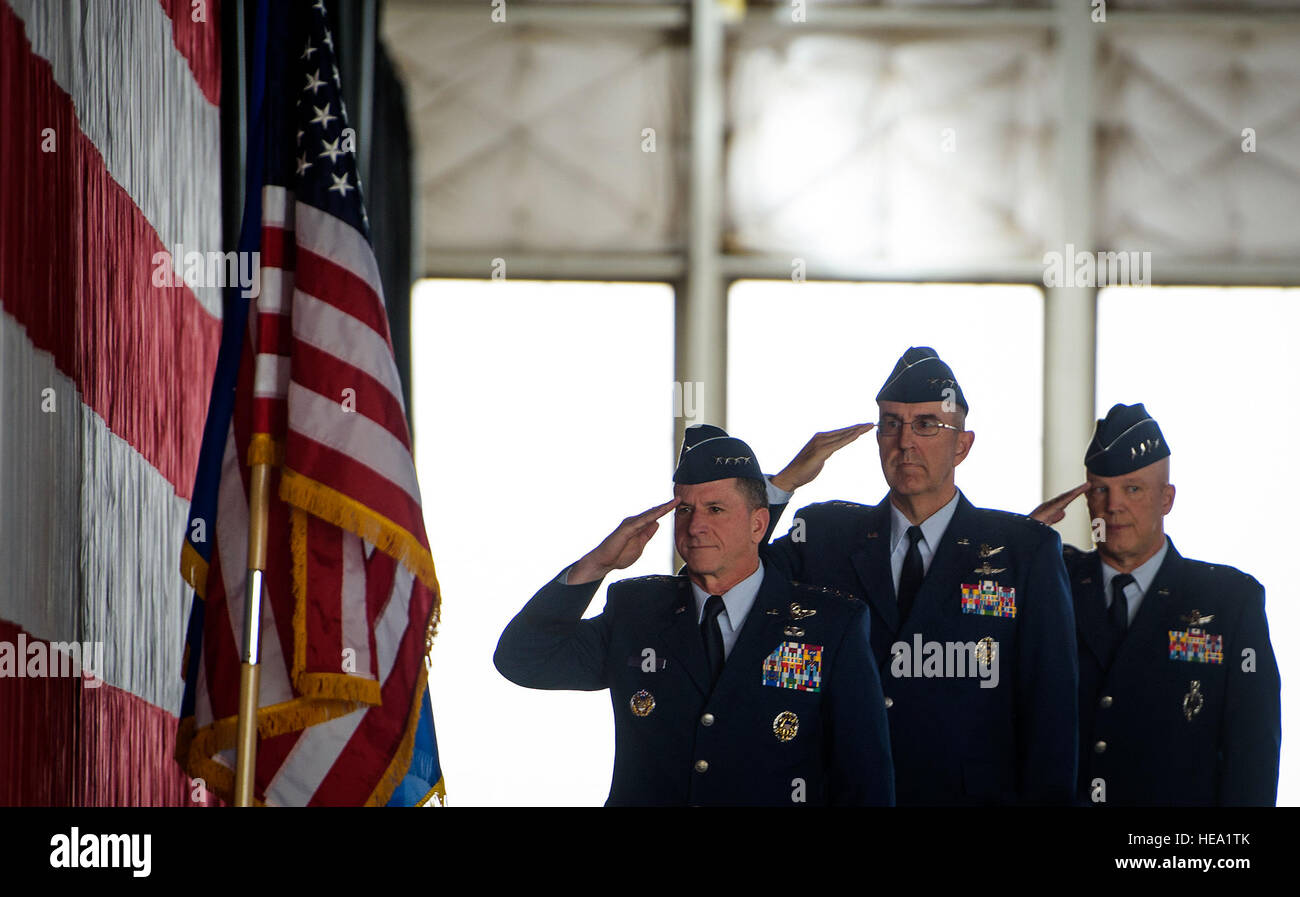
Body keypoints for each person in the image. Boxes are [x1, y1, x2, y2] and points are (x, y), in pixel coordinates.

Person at [494, 432, 895, 806]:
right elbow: (524, 659)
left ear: (758, 523)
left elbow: (864, 780)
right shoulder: (638, 611)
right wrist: (598, 565)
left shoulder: (830, 625)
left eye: (715, 509)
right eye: (685, 509)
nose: (695, 525)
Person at [762, 346, 1078, 806]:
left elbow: (1050, 712)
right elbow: (725, 577)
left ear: (963, 445)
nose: (905, 441)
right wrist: (783, 483)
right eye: (891, 424)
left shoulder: (1024, 550)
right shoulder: (825, 535)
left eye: (926, 424)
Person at [1030, 403, 1281, 805]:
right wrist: (1024, 542)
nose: (1113, 506)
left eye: (1133, 489)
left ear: (1166, 498)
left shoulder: (1230, 602)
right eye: (1100, 490)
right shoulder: (1051, 580)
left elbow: (1251, 759)